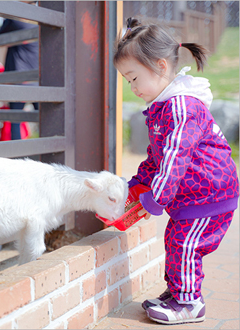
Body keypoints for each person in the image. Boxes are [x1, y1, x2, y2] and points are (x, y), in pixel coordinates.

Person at [114, 17, 239, 325]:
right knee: (176, 241)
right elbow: (156, 157)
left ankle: (190, 303)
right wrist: (138, 184)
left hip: (209, 194)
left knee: (185, 244)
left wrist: (156, 196)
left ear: (160, 66)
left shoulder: (182, 106)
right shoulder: (163, 107)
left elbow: (175, 157)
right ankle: (178, 293)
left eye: (134, 78)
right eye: (128, 81)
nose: (132, 88)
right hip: (191, 196)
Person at [0, 16, 38, 140]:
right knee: (45, 118)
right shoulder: (39, 25)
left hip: (19, 80)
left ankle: (18, 153)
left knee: (15, 120)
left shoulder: (16, 21)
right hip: (36, 80)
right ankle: (48, 150)